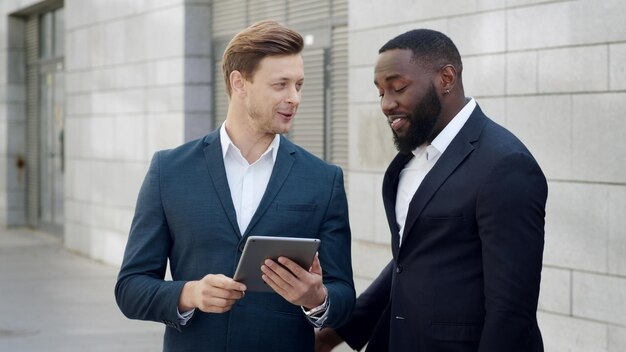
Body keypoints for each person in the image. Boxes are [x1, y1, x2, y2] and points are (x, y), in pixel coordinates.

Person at [115, 20, 355, 352]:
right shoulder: (168, 170)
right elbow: (130, 288)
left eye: (299, 84)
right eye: (281, 84)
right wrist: (191, 294)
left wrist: (317, 297)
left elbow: (344, 294)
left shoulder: (323, 179)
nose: (294, 98)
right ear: (239, 82)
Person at [316, 29, 547, 352]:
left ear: (446, 78)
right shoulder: (407, 164)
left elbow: (511, 310)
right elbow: (407, 262)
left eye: (397, 88)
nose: (386, 104)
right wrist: (332, 335)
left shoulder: (506, 165)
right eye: (380, 92)